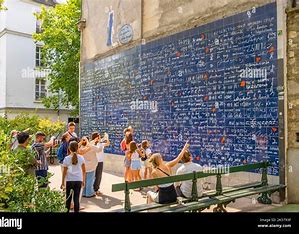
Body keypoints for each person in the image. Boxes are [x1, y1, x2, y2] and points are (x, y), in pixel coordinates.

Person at [61, 141, 86, 212]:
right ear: (78, 148)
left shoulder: (66, 159)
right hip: (78, 180)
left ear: (69, 148)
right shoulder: (81, 158)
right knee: (76, 199)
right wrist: (83, 181)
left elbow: (64, 172)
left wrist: (62, 182)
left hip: (69, 181)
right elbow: (84, 171)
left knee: (68, 199)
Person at [92, 132, 110, 196]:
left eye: (99, 137)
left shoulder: (101, 143)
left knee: (98, 176)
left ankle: (96, 189)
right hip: (94, 161)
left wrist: (107, 138)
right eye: (98, 137)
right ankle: (92, 189)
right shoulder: (92, 143)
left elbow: (107, 144)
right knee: (92, 176)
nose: (99, 138)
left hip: (100, 162)